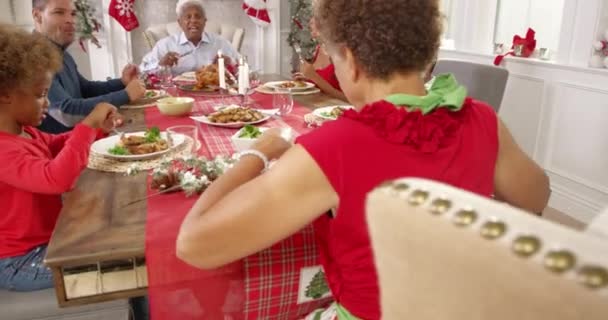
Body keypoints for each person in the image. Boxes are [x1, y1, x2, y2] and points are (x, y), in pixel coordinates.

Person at [176, 0, 550, 319]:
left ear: (351, 62)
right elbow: (536, 197)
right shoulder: (484, 120)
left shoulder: (333, 147)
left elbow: (194, 244)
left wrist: (259, 153)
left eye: (335, 61)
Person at [0, 25, 121, 292]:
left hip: (51, 238)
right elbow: (56, 178)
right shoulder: (2, 151)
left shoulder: (25, 132)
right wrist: (88, 125)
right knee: (119, 261)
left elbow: (54, 146)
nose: (47, 103)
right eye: (40, 94)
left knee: (119, 241)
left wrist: (98, 130)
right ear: (5, 95)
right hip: (20, 260)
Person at [32, 0, 146, 134]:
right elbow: (66, 113)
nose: (70, 20)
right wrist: (125, 94)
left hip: (80, 138)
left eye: (73, 14)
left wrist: (121, 82)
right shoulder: (34, 58)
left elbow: (85, 89)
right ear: (37, 16)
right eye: (59, 12)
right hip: (60, 149)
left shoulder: (59, 52)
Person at [140, 0, 240, 76]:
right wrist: (161, 64)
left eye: (198, 16)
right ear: (179, 22)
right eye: (188, 17)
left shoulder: (220, 43)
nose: (193, 21)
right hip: (176, 99)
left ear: (205, 21)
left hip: (214, 95)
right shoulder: (165, 45)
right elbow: (142, 71)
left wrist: (230, 63)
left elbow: (244, 69)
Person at [294, 18, 347, 102]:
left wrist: (314, 77)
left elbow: (349, 100)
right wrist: (308, 79)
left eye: (316, 16)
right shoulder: (319, 48)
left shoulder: (342, 53)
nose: (310, 21)